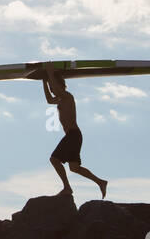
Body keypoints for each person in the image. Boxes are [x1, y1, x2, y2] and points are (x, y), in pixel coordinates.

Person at [42, 66, 108, 198]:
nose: (52, 89)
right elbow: (49, 100)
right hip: (74, 136)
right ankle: (100, 182)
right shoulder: (60, 99)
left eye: (53, 86)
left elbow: (56, 90)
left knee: (54, 159)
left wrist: (50, 72)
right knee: (74, 167)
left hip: (73, 135)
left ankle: (67, 188)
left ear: (60, 85)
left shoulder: (67, 96)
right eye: (50, 87)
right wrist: (44, 81)